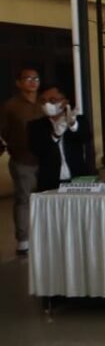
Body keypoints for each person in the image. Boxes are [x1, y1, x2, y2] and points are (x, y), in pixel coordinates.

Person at [0, 67, 43, 254]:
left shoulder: (44, 102)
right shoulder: (11, 106)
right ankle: (23, 239)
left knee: (44, 198)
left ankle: (42, 234)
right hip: (22, 159)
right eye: (28, 79)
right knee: (24, 198)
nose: (33, 82)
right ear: (18, 83)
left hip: (45, 159)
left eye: (36, 78)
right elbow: (3, 130)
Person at [27, 84, 88, 192]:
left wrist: (73, 125)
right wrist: (55, 135)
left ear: (65, 102)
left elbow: (85, 138)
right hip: (50, 181)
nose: (47, 104)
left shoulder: (79, 119)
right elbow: (37, 150)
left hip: (77, 179)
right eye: (43, 101)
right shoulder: (35, 126)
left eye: (52, 100)